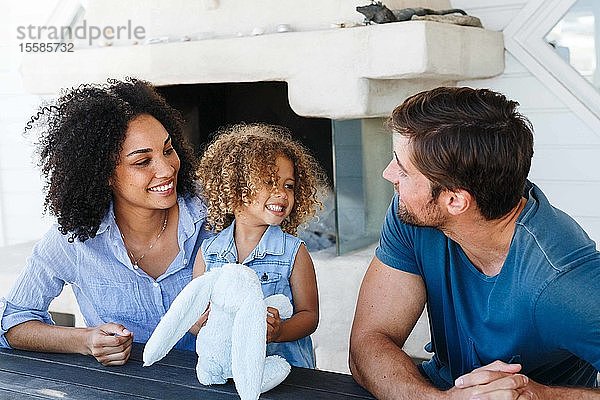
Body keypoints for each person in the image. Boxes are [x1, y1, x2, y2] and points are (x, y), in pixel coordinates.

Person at [349, 87, 600, 399]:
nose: (388, 174)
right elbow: (369, 341)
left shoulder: (565, 280)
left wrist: (542, 395)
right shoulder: (414, 213)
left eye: (402, 168)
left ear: (454, 200)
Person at [0, 78, 213, 366]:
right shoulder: (76, 239)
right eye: (142, 162)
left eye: (168, 149)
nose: (166, 169)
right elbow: (14, 323)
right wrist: (85, 340)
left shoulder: (216, 211)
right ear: (104, 173)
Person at [192, 123, 327, 368]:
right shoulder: (209, 253)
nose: (282, 193)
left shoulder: (294, 252)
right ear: (235, 188)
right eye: (269, 182)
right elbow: (192, 315)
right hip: (228, 372)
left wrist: (279, 331)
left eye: (289, 185)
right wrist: (202, 323)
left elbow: (309, 316)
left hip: (287, 374)